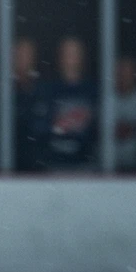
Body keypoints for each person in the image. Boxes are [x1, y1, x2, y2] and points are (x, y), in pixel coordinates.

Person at [39, 37, 98, 171]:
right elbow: (42, 127)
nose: (70, 58)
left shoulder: (92, 91)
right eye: (67, 53)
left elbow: (98, 127)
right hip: (54, 164)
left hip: (85, 164)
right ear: (59, 57)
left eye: (74, 53)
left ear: (82, 57)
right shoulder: (48, 90)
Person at [12, 37, 49, 172]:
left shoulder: (43, 90)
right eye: (20, 54)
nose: (24, 59)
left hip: (38, 165)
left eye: (28, 54)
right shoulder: (3, 93)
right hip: (10, 164)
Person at [113, 54, 136, 172]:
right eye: (121, 72)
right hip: (108, 165)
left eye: (128, 72)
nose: (124, 76)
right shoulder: (106, 99)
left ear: (134, 74)